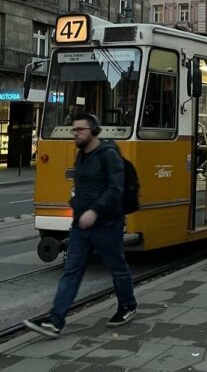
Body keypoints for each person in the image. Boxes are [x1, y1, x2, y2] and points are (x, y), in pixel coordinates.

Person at [24, 114, 137, 339]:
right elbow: (81, 186)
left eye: (81, 130)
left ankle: (128, 305)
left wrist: (95, 211)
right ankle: (56, 320)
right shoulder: (81, 156)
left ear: (93, 130)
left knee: (117, 267)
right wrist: (76, 206)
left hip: (107, 224)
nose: (76, 133)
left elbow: (116, 190)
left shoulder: (109, 155)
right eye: (74, 130)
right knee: (71, 271)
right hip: (80, 226)